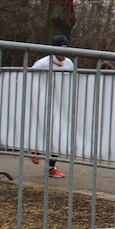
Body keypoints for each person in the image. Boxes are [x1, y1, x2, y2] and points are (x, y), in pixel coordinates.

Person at [31, 34, 75, 177]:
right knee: (44, 129)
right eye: (61, 49)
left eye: (66, 49)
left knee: (59, 134)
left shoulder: (69, 63)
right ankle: (34, 147)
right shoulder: (42, 63)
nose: (64, 53)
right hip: (44, 101)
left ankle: (50, 167)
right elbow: (30, 78)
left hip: (61, 102)